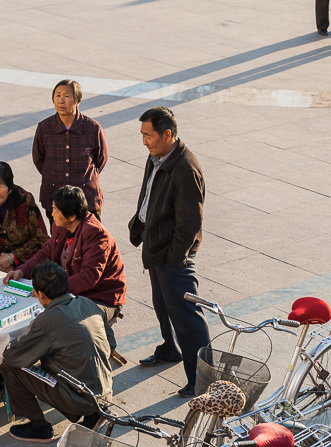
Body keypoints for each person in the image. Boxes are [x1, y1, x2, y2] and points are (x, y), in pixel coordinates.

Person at [128, 107, 210, 397]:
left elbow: (190, 224)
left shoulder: (185, 169)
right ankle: (169, 348)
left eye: (148, 135)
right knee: (163, 306)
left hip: (172, 254)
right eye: (142, 135)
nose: (144, 141)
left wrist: (175, 258)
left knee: (187, 316)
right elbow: (149, 195)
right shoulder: (157, 157)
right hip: (156, 245)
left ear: (168, 134)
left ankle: (202, 380)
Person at [0, 260, 115, 442]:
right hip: (105, 389)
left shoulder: (47, 321)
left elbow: (13, 357)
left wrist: (26, 334)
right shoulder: (87, 303)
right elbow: (111, 343)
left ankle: (39, 427)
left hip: (78, 398)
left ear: (41, 295)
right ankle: (95, 412)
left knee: (8, 366)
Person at [4, 185, 126, 322]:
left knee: (65, 322)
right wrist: (21, 271)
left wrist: (52, 288)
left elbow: (89, 276)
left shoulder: (95, 233)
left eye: (56, 210)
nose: (52, 214)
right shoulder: (60, 225)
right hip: (73, 290)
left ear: (72, 216)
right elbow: (47, 252)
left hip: (101, 296)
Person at [32, 79, 108, 228]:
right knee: (59, 243)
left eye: (66, 96)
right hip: (55, 196)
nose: (61, 100)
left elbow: (101, 159)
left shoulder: (92, 128)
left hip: (87, 197)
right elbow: (38, 159)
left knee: (90, 242)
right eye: (57, 95)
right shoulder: (44, 128)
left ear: (77, 101)